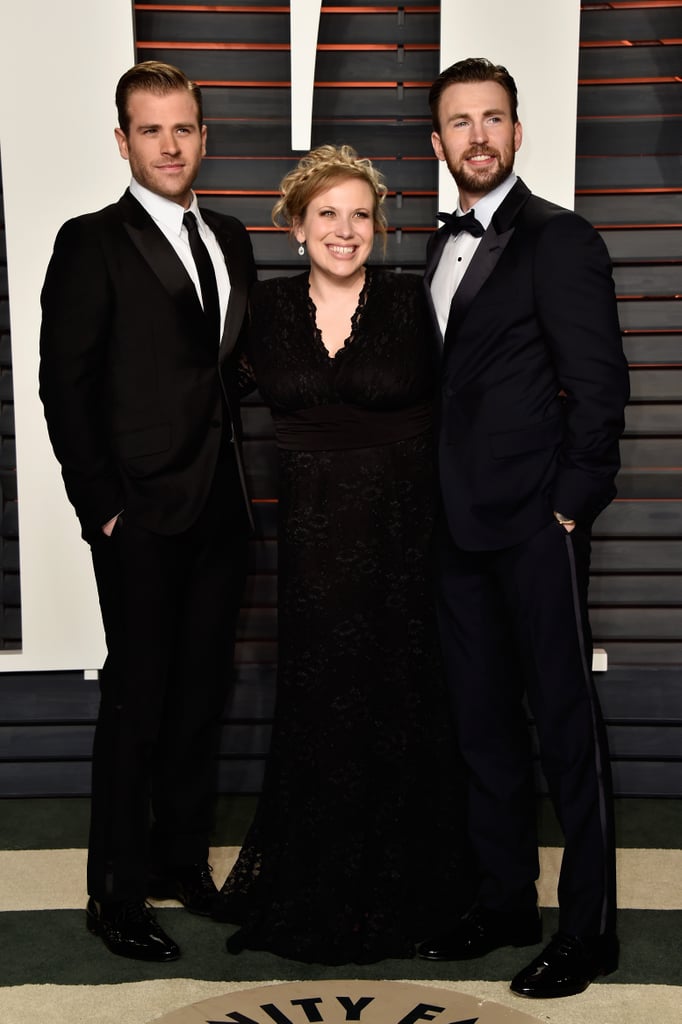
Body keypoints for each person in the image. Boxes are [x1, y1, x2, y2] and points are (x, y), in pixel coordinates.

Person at [213, 145, 462, 964]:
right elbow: (196, 398)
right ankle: (316, 883)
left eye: (361, 214)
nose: (346, 229)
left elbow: (467, 401)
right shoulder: (265, 312)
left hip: (403, 538)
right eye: (328, 214)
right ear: (295, 226)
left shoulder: (407, 302)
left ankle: (407, 890)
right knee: (324, 706)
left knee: (401, 701)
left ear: (378, 227)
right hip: (314, 546)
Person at [416, 58, 630, 999]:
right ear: (438, 143)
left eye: (492, 118)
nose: (477, 136)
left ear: (517, 131)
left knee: (564, 732)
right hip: (454, 531)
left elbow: (601, 388)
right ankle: (506, 900)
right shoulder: (435, 245)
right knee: (482, 726)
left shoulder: (559, 238)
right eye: (459, 122)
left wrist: (568, 507)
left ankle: (590, 931)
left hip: (538, 526)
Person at [39, 61, 256, 962]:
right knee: (137, 702)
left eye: (184, 128)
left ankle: (180, 865)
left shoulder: (234, 238)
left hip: (224, 509)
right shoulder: (90, 241)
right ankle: (115, 894)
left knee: (202, 696)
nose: (170, 145)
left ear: (204, 136)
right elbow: (65, 386)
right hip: (139, 513)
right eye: (151, 129)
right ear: (122, 140)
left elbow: (228, 373)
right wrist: (103, 512)